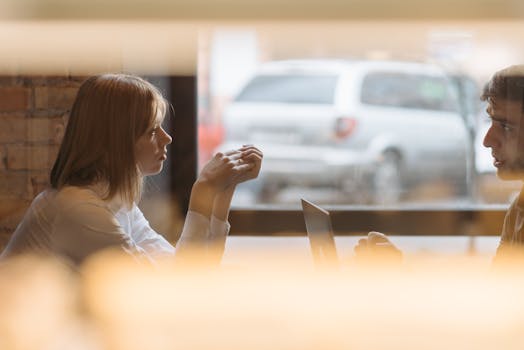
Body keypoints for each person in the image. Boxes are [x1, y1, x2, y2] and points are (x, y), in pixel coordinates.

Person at [0, 74, 263, 266]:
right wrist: (203, 189)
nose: (167, 138)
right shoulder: (77, 210)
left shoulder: (116, 202)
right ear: (115, 142)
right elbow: (173, 293)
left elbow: (187, 274)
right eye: (152, 130)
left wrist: (223, 191)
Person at [355, 65, 524, 263]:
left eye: (506, 126)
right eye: (491, 122)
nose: (487, 140)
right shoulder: (518, 207)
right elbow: (498, 289)